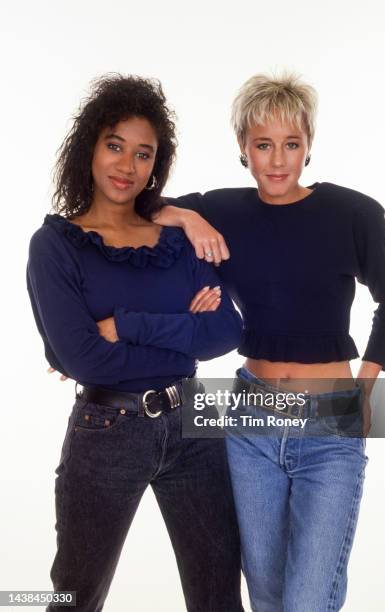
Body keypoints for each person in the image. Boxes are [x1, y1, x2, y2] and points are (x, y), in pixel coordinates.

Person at [140, 72, 385, 611]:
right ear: (244, 148)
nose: (278, 159)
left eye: (292, 144)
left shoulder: (354, 214)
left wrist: (366, 387)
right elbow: (140, 209)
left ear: (308, 146)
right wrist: (189, 217)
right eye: (264, 145)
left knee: (307, 600)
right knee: (265, 595)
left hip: (329, 422)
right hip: (252, 419)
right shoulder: (225, 209)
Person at [26, 74, 244, 612]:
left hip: (195, 423)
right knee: (76, 599)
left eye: (143, 154)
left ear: (156, 165)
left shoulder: (177, 238)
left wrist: (127, 324)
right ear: (90, 149)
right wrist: (180, 333)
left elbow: (226, 331)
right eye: (114, 146)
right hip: (108, 433)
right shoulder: (56, 246)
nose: (127, 166)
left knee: (218, 598)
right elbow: (82, 357)